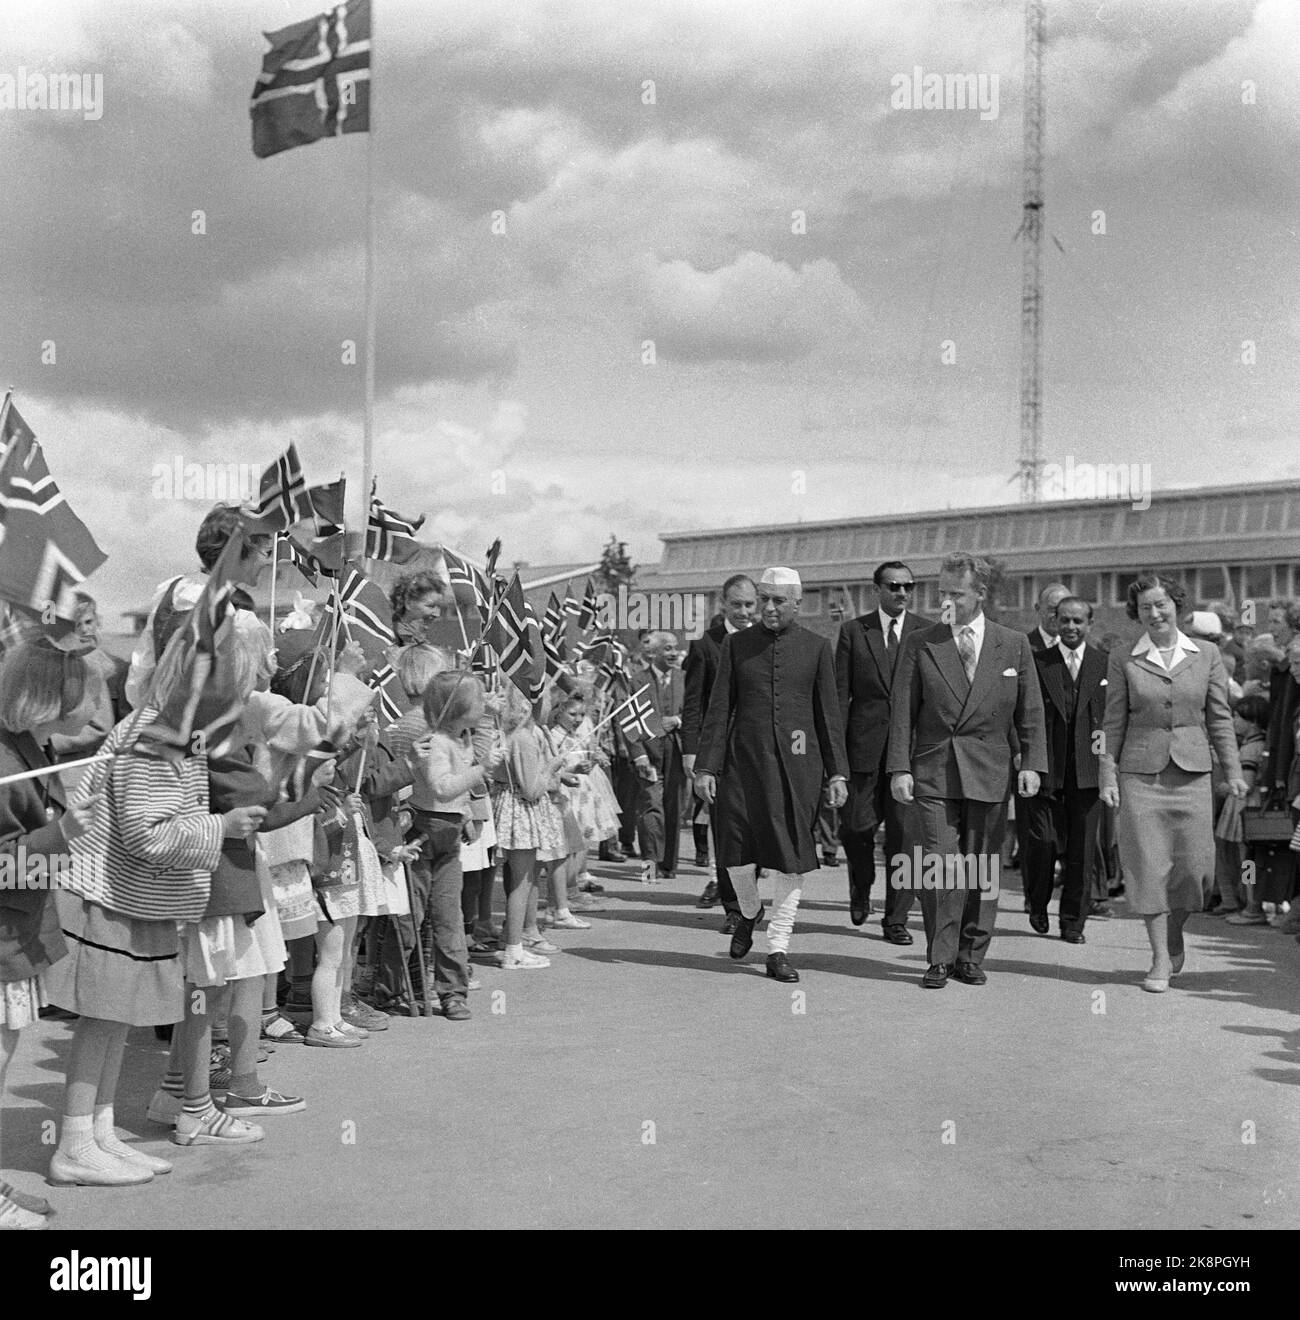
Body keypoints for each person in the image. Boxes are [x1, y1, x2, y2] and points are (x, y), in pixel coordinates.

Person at [46, 631, 265, 1181]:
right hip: (112, 896)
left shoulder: (169, 732)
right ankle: (74, 1142)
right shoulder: (155, 738)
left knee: (116, 1021)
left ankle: (98, 1133)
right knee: (101, 1021)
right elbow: (147, 834)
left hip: (132, 898)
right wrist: (221, 825)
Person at [887, 553, 1048, 989]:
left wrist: (1032, 762)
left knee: (982, 867)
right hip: (934, 769)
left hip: (990, 769)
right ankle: (939, 956)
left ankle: (971, 954)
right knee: (942, 864)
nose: (946, 601)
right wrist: (899, 768)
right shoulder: (922, 642)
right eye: (941, 592)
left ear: (980, 593)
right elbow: (903, 710)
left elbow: (1029, 711)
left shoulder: (1012, 644)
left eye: (955, 593)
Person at [694, 567, 848, 984]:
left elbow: (828, 715)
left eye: (779, 600)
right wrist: (706, 765)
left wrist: (838, 774)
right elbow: (719, 707)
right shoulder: (736, 645)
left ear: (798, 603)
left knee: (790, 855)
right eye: (764, 599)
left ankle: (778, 946)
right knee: (735, 852)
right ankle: (748, 910)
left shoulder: (817, 648)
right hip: (742, 762)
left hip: (798, 768)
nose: (769, 607)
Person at [1099, 572, 1245, 993]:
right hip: (1140, 775)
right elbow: (1112, 721)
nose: (1154, 613)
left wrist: (1233, 772)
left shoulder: (1207, 653)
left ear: (1176, 605)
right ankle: (1160, 957)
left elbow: (1219, 718)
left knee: (1197, 870)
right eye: (1145, 607)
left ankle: (1175, 930)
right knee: (1148, 867)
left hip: (1194, 773)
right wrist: (1108, 775)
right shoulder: (1125, 655)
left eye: (1161, 604)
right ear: (1136, 613)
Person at [0, 641, 100, 1226]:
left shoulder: (24, 747)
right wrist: (59, 835)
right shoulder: (8, 761)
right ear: (46, 697)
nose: (90, 703)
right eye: (79, 693)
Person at [835, 560, 927, 943]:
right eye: (893, 586)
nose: (901, 593)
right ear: (877, 590)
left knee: (905, 840)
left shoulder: (928, 633)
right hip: (863, 752)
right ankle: (861, 887)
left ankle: (896, 919)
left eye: (908, 586)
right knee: (856, 829)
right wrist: (836, 761)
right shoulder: (854, 633)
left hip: (909, 755)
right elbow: (840, 699)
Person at [125, 504, 271, 709]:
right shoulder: (224, 612)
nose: (267, 561)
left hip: (158, 719)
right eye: (266, 552)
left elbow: (140, 673)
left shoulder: (171, 588)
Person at [1022, 596, 1108, 943]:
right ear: (1055, 622)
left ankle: (1073, 921)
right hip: (1045, 770)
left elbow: (1112, 719)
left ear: (1090, 624)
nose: (1071, 627)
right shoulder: (1038, 662)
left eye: (1078, 621)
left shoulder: (1104, 664)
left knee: (1082, 851)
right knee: (1041, 843)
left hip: (1087, 774)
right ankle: (1037, 902)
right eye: (1065, 621)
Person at [681, 574, 757, 925]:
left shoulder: (764, 641)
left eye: (749, 605)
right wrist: (692, 753)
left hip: (759, 752)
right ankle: (735, 909)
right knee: (728, 833)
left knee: (755, 832)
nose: (743, 612)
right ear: (723, 604)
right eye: (737, 604)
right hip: (719, 754)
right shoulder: (705, 645)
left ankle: (750, 900)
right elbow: (694, 704)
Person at [624, 631, 686, 882]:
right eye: (667, 649)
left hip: (679, 753)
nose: (672, 654)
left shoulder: (685, 678)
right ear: (653, 653)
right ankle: (649, 869)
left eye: (675, 649)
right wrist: (639, 756)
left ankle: (668, 866)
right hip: (649, 753)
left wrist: (677, 720)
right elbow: (629, 721)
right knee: (651, 808)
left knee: (674, 808)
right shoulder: (638, 681)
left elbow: (695, 713)